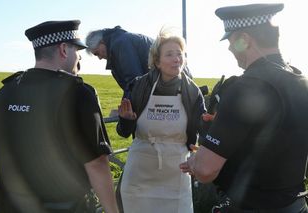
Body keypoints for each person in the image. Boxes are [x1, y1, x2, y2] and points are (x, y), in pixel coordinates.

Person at [180, 3, 308, 212]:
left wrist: (195, 161)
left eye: (231, 41)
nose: (230, 48)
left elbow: (205, 170)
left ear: (244, 40)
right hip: (296, 205)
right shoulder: (300, 80)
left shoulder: (246, 86)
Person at [0, 20, 119, 213]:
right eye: (78, 52)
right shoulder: (78, 93)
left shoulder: (5, 92)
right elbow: (97, 164)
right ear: (64, 49)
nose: (79, 60)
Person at [116, 27, 206, 213]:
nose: (176, 59)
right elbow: (123, 132)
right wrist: (127, 121)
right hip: (141, 170)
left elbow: (202, 129)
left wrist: (200, 154)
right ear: (157, 61)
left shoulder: (192, 91)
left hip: (176, 170)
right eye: (170, 54)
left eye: (180, 54)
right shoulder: (140, 86)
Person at [85, 26, 193, 100]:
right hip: (174, 87)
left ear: (102, 42)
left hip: (176, 89)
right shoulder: (121, 41)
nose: (99, 58)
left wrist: (125, 107)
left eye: (97, 53)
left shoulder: (120, 44)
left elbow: (135, 81)